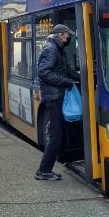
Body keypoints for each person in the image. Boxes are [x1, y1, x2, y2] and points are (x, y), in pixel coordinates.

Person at [35, 24, 80, 180]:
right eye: (68, 35)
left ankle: (46, 169)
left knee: (58, 134)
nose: (69, 38)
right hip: (53, 98)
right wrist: (65, 82)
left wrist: (82, 78)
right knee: (55, 136)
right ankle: (44, 171)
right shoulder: (51, 49)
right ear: (61, 35)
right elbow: (43, 72)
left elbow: (67, 70)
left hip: (57, 96)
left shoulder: (58, 49)